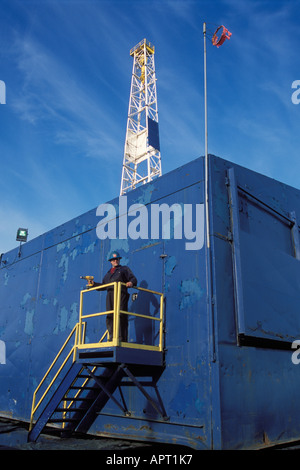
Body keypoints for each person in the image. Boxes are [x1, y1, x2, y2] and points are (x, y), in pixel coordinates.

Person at [91, 251, 137, 342]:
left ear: (119, 260)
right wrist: (93, 284)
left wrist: (131, 282)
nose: (115, 261)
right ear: (110, 261)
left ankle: (121, 338)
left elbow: (133, 278)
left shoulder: (124, 269)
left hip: (121, 294)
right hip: (110, 296)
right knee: (110, 315)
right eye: (113, 260)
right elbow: (103, 286)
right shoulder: (108, 274)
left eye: (116, 259)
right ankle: (112, 337)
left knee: (120, 315)